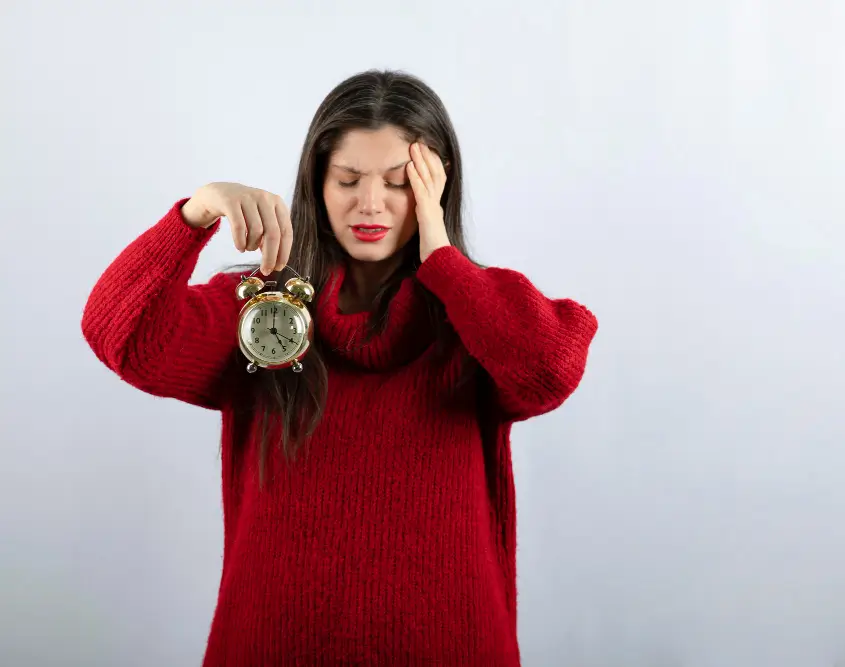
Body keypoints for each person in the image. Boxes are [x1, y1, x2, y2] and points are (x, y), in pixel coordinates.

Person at [81, 69, 598, 666]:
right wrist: (194, 216)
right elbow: (121, 336)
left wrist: (445, 261)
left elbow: (550, 371)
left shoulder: (479, 315)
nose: (370, 204)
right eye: (348, 180)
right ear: (317, 185)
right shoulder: (259, 310)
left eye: (400, 183)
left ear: (436, 190)